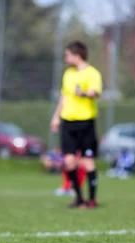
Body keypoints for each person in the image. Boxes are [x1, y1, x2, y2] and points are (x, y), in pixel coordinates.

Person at [50, 41, 102, 209]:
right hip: (68, 122)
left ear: (77, 55)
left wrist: (85, 93)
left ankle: (92, 199)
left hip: (86, 122)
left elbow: (95, 92)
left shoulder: (92, 73)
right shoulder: (68, 74)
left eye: (68, 55)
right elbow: (64, 97)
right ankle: (79, 198)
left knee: (88, 162)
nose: (66, 58)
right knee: (69, 161)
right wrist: (56, 117)